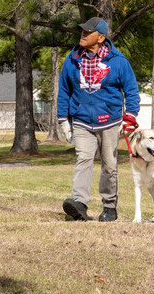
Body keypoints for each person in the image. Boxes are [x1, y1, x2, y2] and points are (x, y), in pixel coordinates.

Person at [57, 17, 141, 222]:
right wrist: (62, 119)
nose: (82, 35)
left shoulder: (118, 61)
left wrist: (130, 115)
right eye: (82, 31)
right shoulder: (72, 58)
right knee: (83, 159)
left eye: (88, 32)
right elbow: (64, 90)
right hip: (82, 120)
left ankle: (110, 206)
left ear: (101, 37)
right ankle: (79, 204)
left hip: (110, 121)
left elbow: (131, 90)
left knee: (109, 164)